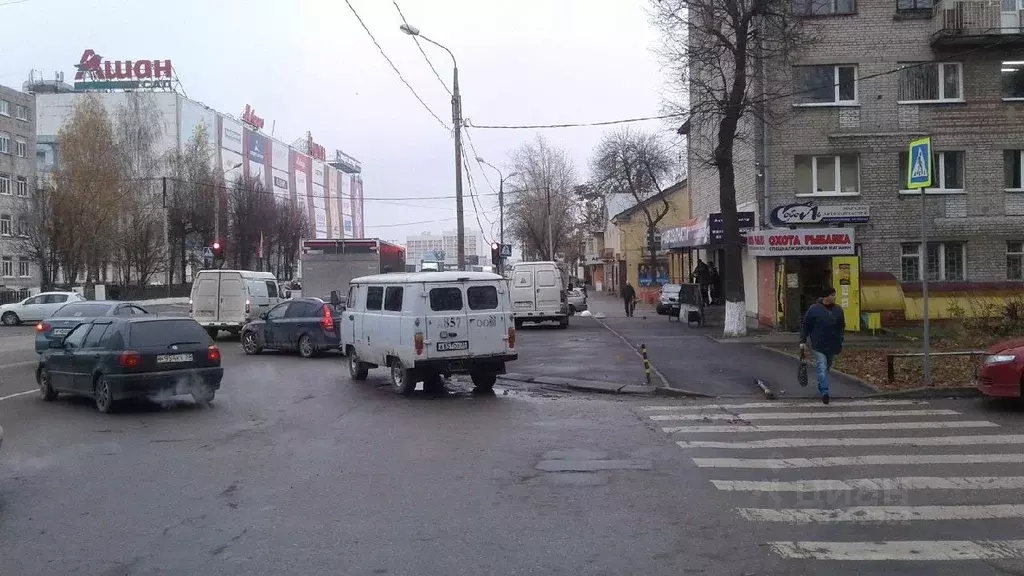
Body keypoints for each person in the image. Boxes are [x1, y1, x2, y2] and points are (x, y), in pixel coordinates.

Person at [799, 286, 845, 405]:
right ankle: (825, 392)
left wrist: (840, 340)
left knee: (827, 367)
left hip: (832, 343)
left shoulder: (838, 310)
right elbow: (806, 325)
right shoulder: (814, 309)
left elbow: (841, 327)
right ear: (826, 297)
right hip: (818, 344)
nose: (835, 297)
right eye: (833, 295)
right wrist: (803, 341)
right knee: (822, 367)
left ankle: (821, 385)